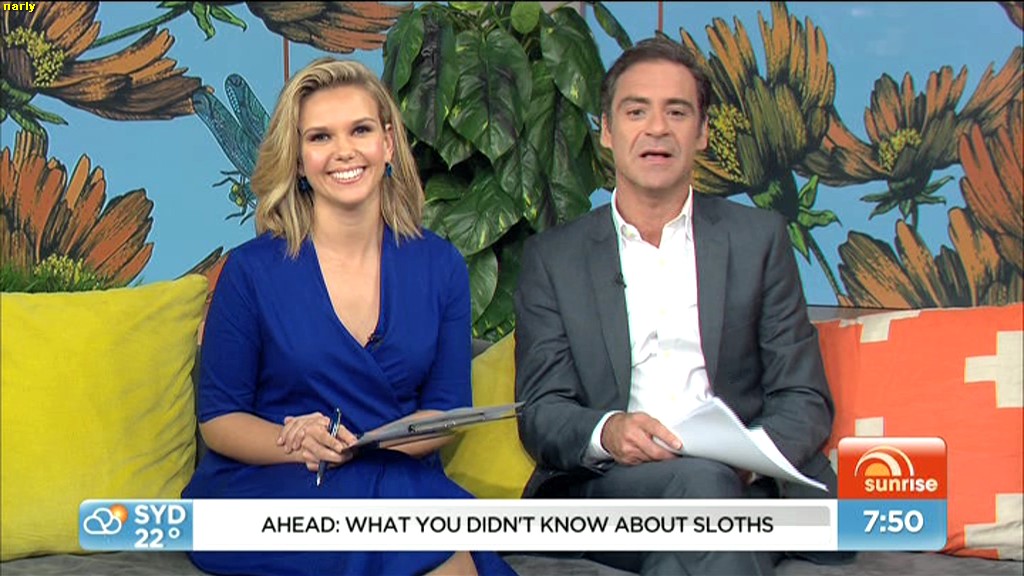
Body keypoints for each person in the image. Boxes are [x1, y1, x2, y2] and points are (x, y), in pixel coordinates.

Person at [514, 37, 844, 575]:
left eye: (677, 112)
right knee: (705, 493)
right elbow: (542, 411)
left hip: (741, 485)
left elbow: (803, 397)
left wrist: (747, 456)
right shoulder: (554, 258)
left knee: (689, 536)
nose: (657, 129)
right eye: (636, 111)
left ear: (702, 131)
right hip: (609, 492)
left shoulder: (758, 240)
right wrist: (609, 432)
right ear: (607, 131)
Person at [183, 58, 515, 576]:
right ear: (298, 160)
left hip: (395, 473)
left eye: (360, 130)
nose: (344, 151)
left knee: (413, 514)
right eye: (320, 137)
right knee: (431, 534)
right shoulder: (250, 271)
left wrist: (369, 445)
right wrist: (296, 442)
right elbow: (220, 420)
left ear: (388, 143)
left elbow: (448, 410)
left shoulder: (441, 264)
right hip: (272, 483)